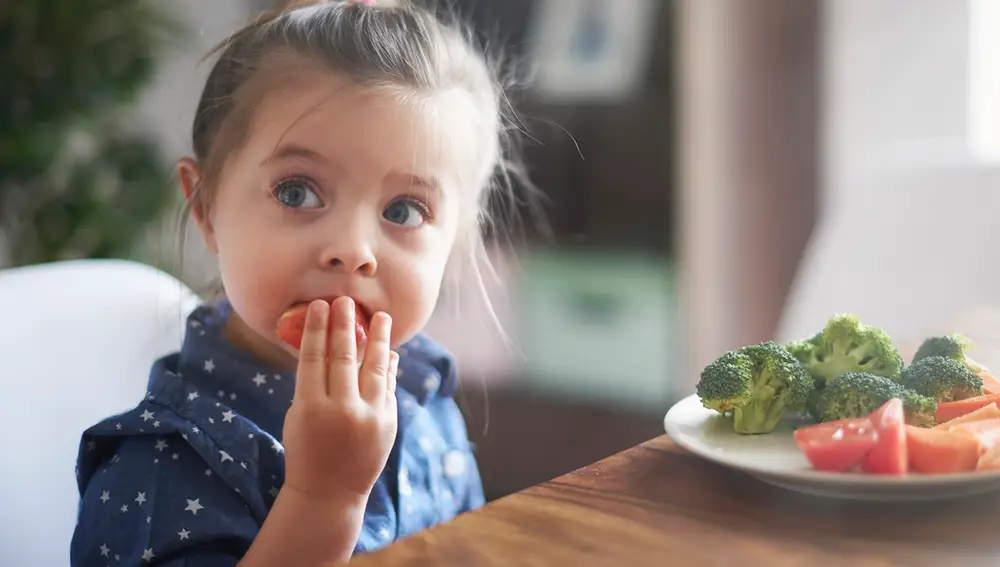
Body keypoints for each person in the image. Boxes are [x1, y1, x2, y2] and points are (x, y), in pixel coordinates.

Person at [70, 1, 533, 564]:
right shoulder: (162, 467)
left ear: (456, 244)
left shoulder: (423, 392)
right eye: (296, 193)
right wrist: (323, 499)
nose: (352, 250)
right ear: (206, 206)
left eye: (405, 210)